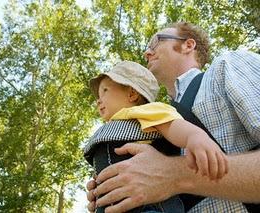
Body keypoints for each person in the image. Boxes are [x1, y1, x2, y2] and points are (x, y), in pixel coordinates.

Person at [86, 22, 260, 213]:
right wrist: (113, 187)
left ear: (188, 45)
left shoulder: (228, 65)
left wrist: (175, 175)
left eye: (155, 42)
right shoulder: (148, 122)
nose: (147, 53)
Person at [84, 60, 228, 213]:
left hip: (149, 206)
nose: (98, 100)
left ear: (132, 93)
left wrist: (195, 136)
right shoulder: (107, 130)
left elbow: (172, 125)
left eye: (105, 90)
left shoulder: (147, 112)